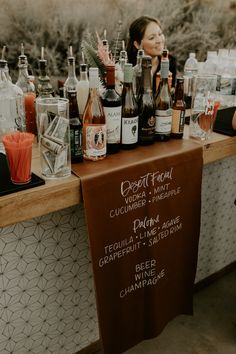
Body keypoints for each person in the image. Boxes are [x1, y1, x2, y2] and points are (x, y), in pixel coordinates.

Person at [126, 15, 177, 94]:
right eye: (152, 38)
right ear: (137, 45)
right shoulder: (129, 66)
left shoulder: (169, 62)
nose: (159, 40)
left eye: (160, 34)